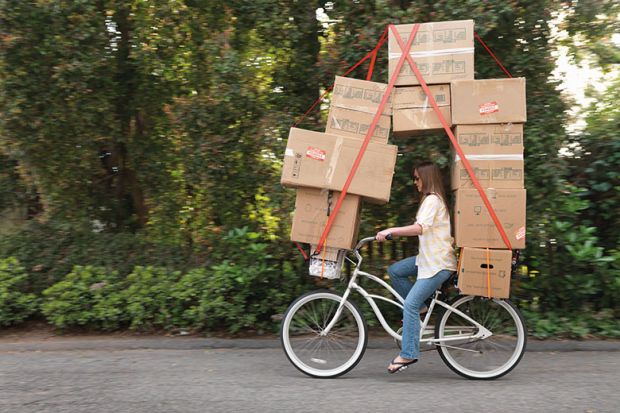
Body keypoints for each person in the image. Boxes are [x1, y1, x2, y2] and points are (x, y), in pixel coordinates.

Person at [375, 161, 457, 374]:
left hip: (438, 264)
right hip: (427, 260)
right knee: (396, 271)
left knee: (408, 305)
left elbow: (420, 228)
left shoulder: (432, 200)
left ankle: (409, 354)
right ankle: (422, 307)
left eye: (417, 178)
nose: (415, 182)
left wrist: (390, 230)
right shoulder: (432, 200)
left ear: (426, 179)